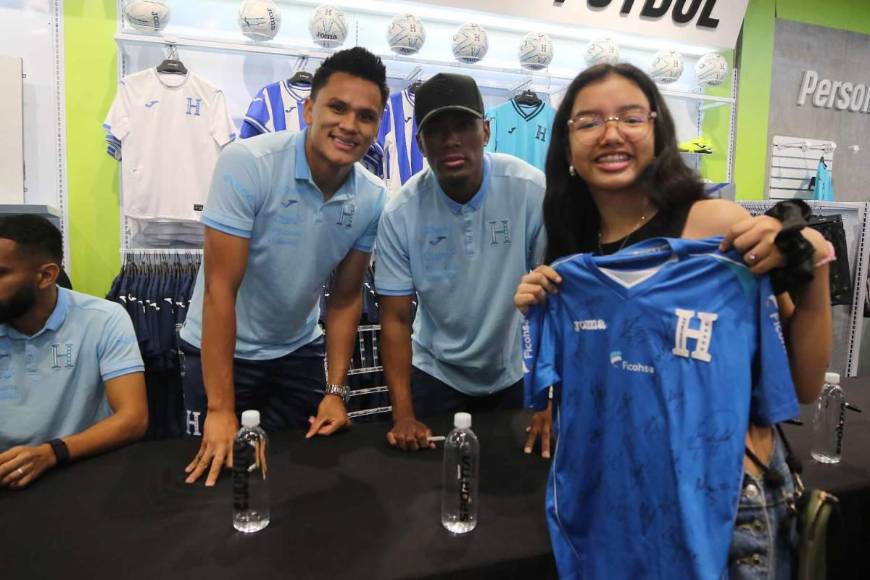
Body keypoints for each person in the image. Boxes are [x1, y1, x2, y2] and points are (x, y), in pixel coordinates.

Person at [514, 63, 831, 579]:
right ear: (567, 149)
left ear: (657, 132)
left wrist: (811, 261)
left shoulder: (718, 234)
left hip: (726, 504)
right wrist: (537, 314)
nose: (611, 133)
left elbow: (804, 384)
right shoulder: (573, 259)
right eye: (589, 122)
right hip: (623, 513)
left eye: (631, 118)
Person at [178, 47, 389, 486]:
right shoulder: (248, 164)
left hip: (298, 352)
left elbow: (347, 297)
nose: (350, 125)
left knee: (300, 477)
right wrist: (220, 408)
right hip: (221, 354)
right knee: (217, 478)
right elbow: (220, 289)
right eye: (337, 107)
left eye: (366, 116)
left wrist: (335, 391)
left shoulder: (372, 195)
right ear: (310, 108)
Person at [375, 73, 547, 452]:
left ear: (485, 132)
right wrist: (403, 414)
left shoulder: (529, 190)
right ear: (420, 143)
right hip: (435, 377)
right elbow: (395, 318)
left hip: (511, 374)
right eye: (436, 130)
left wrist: (549, 396)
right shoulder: (401, 213)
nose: (451, 139)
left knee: (514, 490)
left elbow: (553, 300)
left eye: (463, 126)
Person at [0, 215, 147, 489]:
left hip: (80, 470)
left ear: (46, 275)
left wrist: (51, 453)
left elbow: (133, 418)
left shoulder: (104, 319)